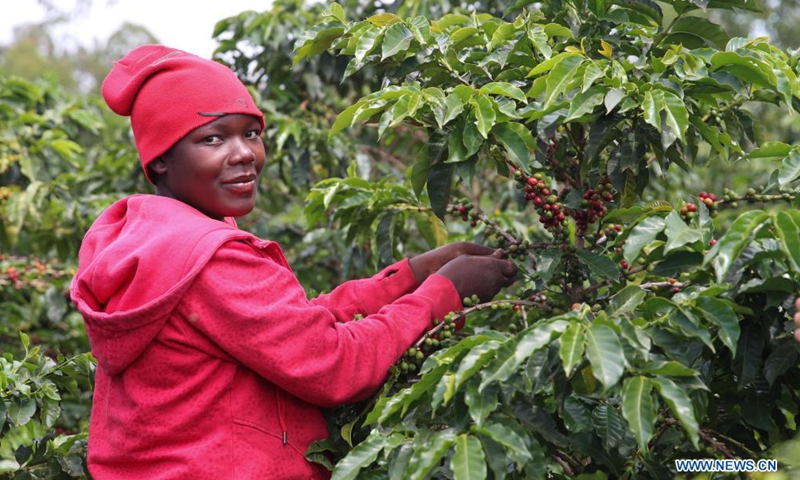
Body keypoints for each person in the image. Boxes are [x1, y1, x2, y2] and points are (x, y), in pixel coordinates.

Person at [70, 45, 518, 480]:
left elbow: (285, 328)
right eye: (213, 138)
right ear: (161, 159)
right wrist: (443, 294)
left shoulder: (153, 240)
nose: (244, 152)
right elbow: (334, 365)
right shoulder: (208, 259)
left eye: (250, 132)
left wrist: (409, 276)